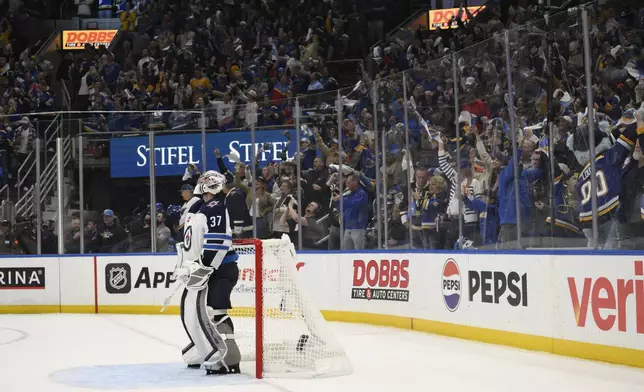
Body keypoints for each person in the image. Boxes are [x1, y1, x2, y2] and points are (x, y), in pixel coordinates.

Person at [174, 172, 241, 375]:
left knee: (216, 312)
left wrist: (204, 265)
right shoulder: (198, 206)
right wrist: (188, 264)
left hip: (220, 269)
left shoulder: (217, 207)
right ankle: (202, 347)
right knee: (193, 310)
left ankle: (229, 356)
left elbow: (218, 240)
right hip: (207, 268)